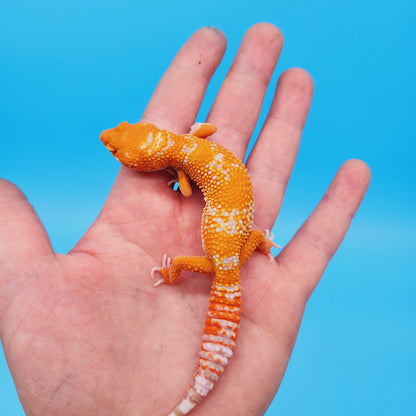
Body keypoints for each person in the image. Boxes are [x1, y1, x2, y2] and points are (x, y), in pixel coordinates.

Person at [0, 23, 370, 415]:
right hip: (238, 247)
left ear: (149, 156)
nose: (111, 138)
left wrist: (174, 261)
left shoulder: (183, 168)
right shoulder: (192, 145)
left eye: (118, 143)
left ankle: (191, 365)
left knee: (179, 264)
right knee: (231, 253)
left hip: (224, 258)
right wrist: (253, 235)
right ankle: (259, 244)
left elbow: (189, 191)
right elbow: (203, 141)